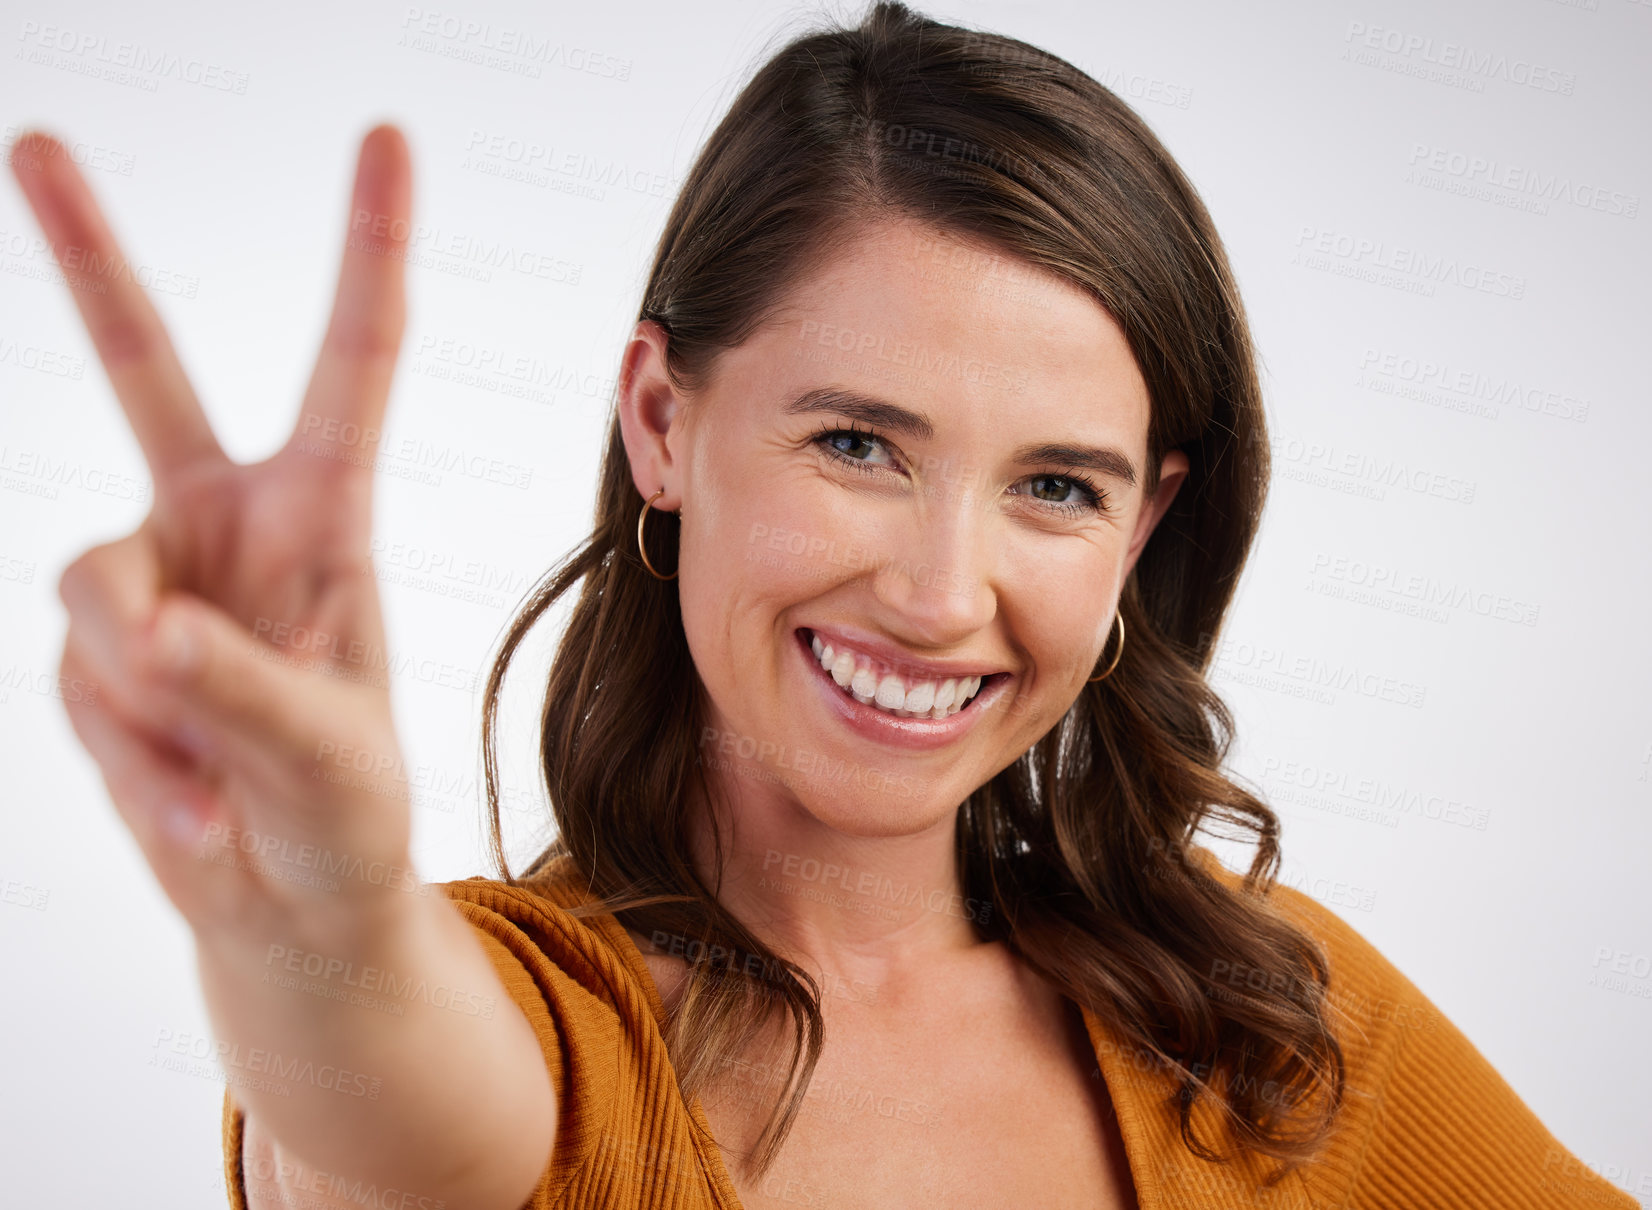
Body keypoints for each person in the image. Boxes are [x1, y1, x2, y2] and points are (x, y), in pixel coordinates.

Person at [16, 3, 1635, 1208]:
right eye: (858, 442)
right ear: (662, 419)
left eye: (1057, 485)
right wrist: (312, 900)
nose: (942, 595)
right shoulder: (556, 1040)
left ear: (1147, 521)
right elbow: (380, 1089)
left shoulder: (1261, 1016)